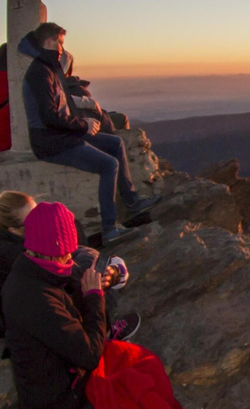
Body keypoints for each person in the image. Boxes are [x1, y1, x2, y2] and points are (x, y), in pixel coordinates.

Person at [2, 201, 142, 409]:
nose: (69, 259)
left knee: (140, 368)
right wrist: (94, 298)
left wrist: (112, 275)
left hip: (62, 392)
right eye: (65, 254)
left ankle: (111, 338)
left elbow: (93, 273)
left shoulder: (32, 270)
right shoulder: (36, 299)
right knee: (142, 396)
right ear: (48, 250)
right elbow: (89, 356)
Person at [18, 23, 158, 246]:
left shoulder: (48, 69)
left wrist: (86, 122)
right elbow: (49, 117)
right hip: (52, 142)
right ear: (48, 42)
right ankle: (110, 229)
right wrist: (82, 125)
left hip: (62, 134)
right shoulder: (39, 73)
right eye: (60, 43)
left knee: (115, 143)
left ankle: (132, 201)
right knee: (108, 165)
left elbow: (61, 110)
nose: (63, 49)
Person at [0, 191, 137, 343]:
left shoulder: (9, 240)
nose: (41, 221)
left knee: (86, 257)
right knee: (90, 275)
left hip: (32, 304)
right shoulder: (17, 255)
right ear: (14, 229)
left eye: (38, 212)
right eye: (32, 220)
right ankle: (106, 334)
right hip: (31, 318)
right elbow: (63, 280)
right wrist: (104, 276)